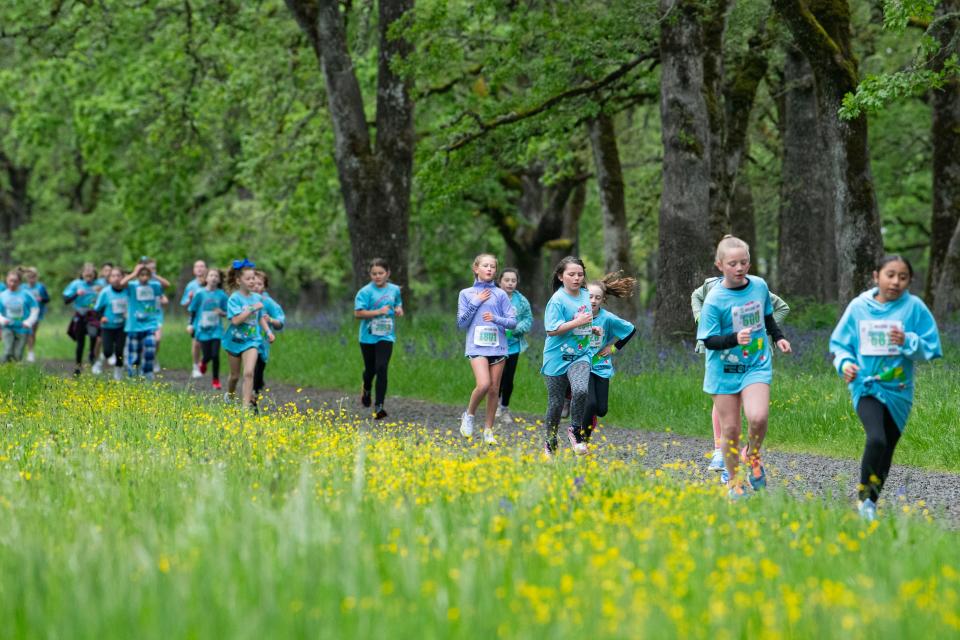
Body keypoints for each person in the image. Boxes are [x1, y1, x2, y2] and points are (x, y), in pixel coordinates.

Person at [828, 255, 942, 521]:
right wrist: (845, 364)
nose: (895, 282)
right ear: (875, 276)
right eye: (890, 274)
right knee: (876, 438)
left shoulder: (914, 308)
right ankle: (862, 499)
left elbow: (932, 348)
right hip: (865, 386)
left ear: (909, 281)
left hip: (899, 390)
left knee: (887, 447)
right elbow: (839, 345)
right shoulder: (859, 307)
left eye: (903, 277)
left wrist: (908, 339)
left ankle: (871, 503)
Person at [696, 236, 791, 499]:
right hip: (723, 370)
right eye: (733, 263)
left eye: (744, 262)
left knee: (758, 417)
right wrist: (734, 339)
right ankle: (735, 484)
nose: (739, 268)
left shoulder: (759, 286)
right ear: (720, 265)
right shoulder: (714, 300)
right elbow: (708, 340)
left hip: (756, 364)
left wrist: (779, 337)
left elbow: (767, 315)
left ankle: (754, 455)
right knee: (730, 429)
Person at [457, 253, 517, 445]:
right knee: (483, 384)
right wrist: (476, 301)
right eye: (485, 266)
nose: (489, 269)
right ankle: (469, 415)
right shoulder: (466, 294)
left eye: (492, 266)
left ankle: (488, 431)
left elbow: (513, 323)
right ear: (476, 269)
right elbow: (461, 323)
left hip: (498, 347)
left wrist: (496, 318)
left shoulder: (500, 294)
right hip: (476, 346)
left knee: (493, 389)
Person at [541, 256, 598, 457]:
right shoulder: (557, 300)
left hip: (581, 355)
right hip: (556, 358)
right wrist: (579, 322)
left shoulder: (585, 295)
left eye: (580, 274)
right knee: (555, 404)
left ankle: (575, 431)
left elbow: (583, 321)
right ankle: (550, 442)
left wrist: (592, 329)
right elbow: (551, 330)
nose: (576, 278)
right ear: (560, 276)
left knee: (581, 390)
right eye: (571, 274)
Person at [582, 273, 637, 446]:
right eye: (590, 296)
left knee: (601, 409)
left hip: (600, 364)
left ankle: (586, 425)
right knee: (590, 404)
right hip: (581, 364)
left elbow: (631, 330)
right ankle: (582, 440)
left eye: (597, 297)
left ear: (603, 299)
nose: (593, 300)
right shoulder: (577, 315)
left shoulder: (608, 318)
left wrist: (613, 348)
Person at [353, 258, 403, 420]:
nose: (377, 276)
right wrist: (378, 312)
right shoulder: (365, 292)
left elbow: (397, 303)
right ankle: (366, 389)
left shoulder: (394, 289)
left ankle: (379, 406)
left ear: (387, 273)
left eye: (381, 273)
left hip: (386, 335)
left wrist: (398, 309)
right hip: (368, 337)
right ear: (370, 274)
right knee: (370, 370)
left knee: (382, 367)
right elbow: (358, 313)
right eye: (374, 274)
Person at [222, 259, 273, 409]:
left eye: (253, 278)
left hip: (252, 340)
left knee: (249, 372)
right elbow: (236, 320)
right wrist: (251, 308)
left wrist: (268, 332)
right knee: (234, 376)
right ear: (239, 281)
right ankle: (230, 395)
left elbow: (260, 318)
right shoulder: (234, 299)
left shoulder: (257, 298)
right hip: (235, 341)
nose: (252, 281)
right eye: (248, 279)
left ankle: (245, 408)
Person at [495, 268, 532, 426]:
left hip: (513, 346)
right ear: (500, 281)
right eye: (507, 280)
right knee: (497, 379)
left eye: (513, 281)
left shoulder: (521, 301)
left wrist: (516, 328)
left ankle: (504, 408)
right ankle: (494, 405)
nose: (510, 283)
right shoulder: (493, 297)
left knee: (508, 379)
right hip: (494, 345)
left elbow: (528, 319)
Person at [121, 261, 168, 379]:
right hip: (134, 325)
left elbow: (167, 285)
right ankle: (133, 376)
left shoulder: (154, 286)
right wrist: (134, 272)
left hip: (150, 324)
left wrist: (153, 275)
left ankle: (147, 373)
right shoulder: (132, 286)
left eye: (146, 275)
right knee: (134, 354)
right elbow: (122, 283)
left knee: (150, 348)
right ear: (138, 275)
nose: (144, 277)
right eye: (141, 275)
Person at [188, 268, 228, 390]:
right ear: (206, 278)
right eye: (211, 275)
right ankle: (203, 362)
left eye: (216, 276)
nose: (214, 278)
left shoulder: (222, 295)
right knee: (207, 355)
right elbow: (193, 310)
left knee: (215, 355)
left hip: (216, 329)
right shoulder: (200, 293)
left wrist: (222, 312)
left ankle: (216, 380)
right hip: (202, 329)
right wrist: (190, 324)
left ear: (219, 279)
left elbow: (227, 312)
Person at [252, 269, 285, 406]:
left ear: (264, 286)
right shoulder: (244, 299)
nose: (256, 286)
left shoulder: (268, 302)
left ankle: (256, 389)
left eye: (260, 284)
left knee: (259, 369)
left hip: (263, 343)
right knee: (250, 370)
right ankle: (251, 402)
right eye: (254, 283)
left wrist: (271, 320)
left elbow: (280, 322)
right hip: (247, 340)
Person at [63, 263, 100, 376]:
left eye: (91, 273)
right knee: (80, 343)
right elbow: (66, 300)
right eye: (86, 273)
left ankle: (92, 355)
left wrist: (101, 291)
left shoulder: (99, 284)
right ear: (82, 274)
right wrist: (76, 294)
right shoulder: (76, 284)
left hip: (93, 315)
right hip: (80, 314)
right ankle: (78, 367)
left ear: (94, 274)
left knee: (94, 335)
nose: (88, 275)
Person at [94, 267, 128, 380]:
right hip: (107, 326)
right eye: (113, 276)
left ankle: (118, 373)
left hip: (122, 326)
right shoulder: (105, 292)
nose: (116, 278)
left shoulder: (128, 291)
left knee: (119, 350)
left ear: (123, 277)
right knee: (108, 351)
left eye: (119, 275)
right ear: (109, 279)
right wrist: (102, 317)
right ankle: (99, 362)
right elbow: (97, 309)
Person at [0, 269, 39, 363]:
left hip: (22, 328)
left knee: (18, 354)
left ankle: (15, 371)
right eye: (10, 280)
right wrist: (2, 320)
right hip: (7, 327)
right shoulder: (2, 295)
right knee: (8, 351)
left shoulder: (26, 294)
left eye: (15, 281)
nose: (12, 283)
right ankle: (4, 370)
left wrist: (29, 322)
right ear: (7, 280)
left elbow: (35, 309)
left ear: (20, 282)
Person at [181, 260, 208, 378]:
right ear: (193, 270)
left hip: (210, 319)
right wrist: (190, 299)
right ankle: (195, 366)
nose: (199, 269)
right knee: (196, 343)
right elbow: (184, 304)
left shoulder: (211, 283)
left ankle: (203, 362)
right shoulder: (191, 285)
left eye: (202, 266)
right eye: (197, 266)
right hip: (195, 319)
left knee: (207, 344)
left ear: (206, 269)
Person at [21, 267, 50, 363]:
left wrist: (41, 299)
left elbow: (47, 299)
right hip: (24, 313)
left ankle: (30, 352)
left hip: (37, 313)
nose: (31, 279)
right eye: (29, 277)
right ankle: (23, 351)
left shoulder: (41, 287)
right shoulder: (23, 287)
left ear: (36, 277)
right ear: (26, 277)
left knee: (32, 332)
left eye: (33, 277)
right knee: (24, 333)